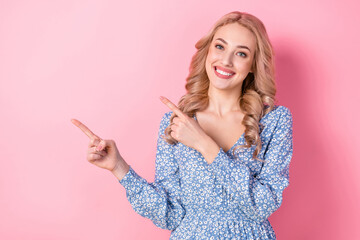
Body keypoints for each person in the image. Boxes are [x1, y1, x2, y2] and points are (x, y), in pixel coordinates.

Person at [72, 11, 293, 240]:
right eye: (220, 47)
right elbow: (170, 214)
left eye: (241, 53)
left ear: (253, 65)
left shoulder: (274, 121)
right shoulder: (176, 123)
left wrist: (206, 145)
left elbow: (263, 204)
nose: (226, 61)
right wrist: (118, 166)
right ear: (208, 51)